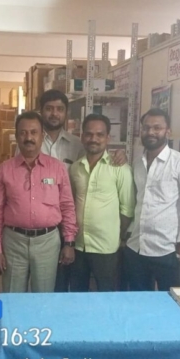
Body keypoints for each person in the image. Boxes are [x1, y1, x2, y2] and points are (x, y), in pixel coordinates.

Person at [39, 89, 127, 291]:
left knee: (73, 279)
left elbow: (93, 163)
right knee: (52, 282)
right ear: (41, 111)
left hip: (72, 228)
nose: (54, 113)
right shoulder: (31, 141)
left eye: (59, 109)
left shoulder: (77, 144)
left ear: (66, 113)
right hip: (44, 225)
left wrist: (120, 155)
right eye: (49, 108)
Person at [0, 111, 78, 292]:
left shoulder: (57, 168)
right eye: (23, 133)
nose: (28, 138)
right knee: (13, 297)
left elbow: (67, 206)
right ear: (17, 136)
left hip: (47, 243)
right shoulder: (4, 170)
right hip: (14, 242)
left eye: (33, 132)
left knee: (43, 298)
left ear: (41, 135)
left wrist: (69, 242)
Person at [124, 108, 180, 291]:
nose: (150, 132)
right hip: (137, 247)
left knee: (169, 301)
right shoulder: (137, 164)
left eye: (157, 128)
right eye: (146, 128)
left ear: (168, 132)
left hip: (167, 250)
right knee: (138, 300)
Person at [69, 114, 135, 292]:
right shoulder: (75, 168)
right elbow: (71, 203)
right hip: (78, 245)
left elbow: (127, 209)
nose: (94, 139)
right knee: (77, 294)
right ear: (82, 136)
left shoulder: (120, 168)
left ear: (108, 138)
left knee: (107, 295)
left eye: (99, 135)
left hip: (106, 248)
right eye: (89, 134)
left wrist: (115, 234)